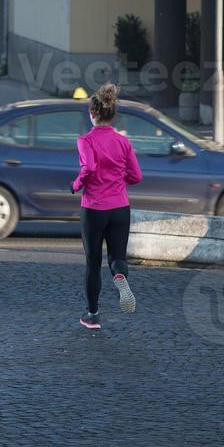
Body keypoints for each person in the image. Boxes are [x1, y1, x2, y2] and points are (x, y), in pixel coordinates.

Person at [71, 84, 141, 329]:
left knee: (92, 262)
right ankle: (119, 276)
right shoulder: (123, 142)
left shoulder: (85, 141)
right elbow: (136, 176)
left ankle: (92, 315)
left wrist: (76, 183)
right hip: (120, 207)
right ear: (113, 115)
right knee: (117, 257)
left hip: (94, 207)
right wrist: (121, 180)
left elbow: (88, 168)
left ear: (92, 113)